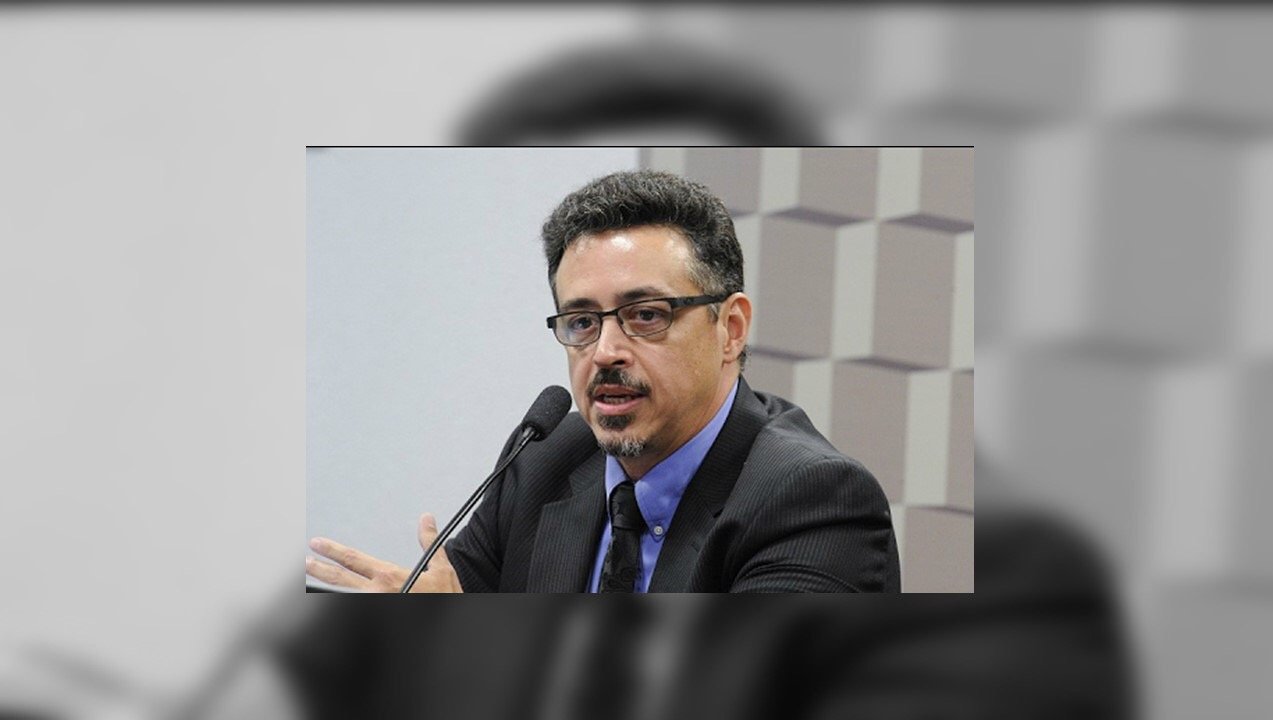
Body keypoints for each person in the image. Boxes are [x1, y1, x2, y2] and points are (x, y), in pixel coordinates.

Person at [305, 169, 899, 592]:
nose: (606, 352)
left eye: (647, 315)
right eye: (583, 321)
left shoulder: (813, 500)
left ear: (731, 329)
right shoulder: (546, 461)